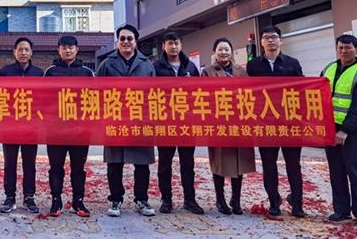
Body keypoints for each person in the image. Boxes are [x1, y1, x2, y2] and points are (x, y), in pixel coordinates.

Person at [246, 25, 305, 218]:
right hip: (266, 124)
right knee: (269, 165)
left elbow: (303, 89)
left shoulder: (292, 63)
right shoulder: (253, 66)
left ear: (280, 40)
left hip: (290, 124)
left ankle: (297, 203)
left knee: (293, 165)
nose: (270, 41)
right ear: (261, 42)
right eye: (266, 38)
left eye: (274, 37)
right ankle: (274, 201)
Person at [97, 24, 156, 218]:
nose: (125, 42)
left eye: (129, 38)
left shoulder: (147, 64)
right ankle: (116, 199)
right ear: (118, 41)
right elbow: (97, 92)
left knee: (142, 164)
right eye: (122, 38)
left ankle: (141, 199)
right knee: (115, 163)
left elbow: (154, 94)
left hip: (140, 120)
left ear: (135, 41)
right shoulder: (107, 64)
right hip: (115, 119)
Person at [322, 34, 357, 228]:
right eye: (340, 48)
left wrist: (344, 130)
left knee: (356, 172)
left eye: (348, 48)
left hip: (352, 132)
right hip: (330, 129)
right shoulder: (328, 69)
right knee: (336, 172)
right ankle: (341, 210)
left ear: (356, 50)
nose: (344, 51)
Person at [201, 37, 255, 215]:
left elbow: (249, 94)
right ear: (214, 52)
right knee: (219, 163)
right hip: (218, 124)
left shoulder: (241, 71)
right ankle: (220, 199)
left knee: (239, 163)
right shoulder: (207, 72)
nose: (224, 52)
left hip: (239, 124)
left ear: (231, 51)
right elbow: (204, 97)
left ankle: (236, 199)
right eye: (220, 49)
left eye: (226, 49)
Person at [153, 31, 204, 215]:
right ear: (164, 46)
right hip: (165, 123)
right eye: (170, 43)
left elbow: (199, 92)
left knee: (187, 164)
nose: (173, 47)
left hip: (186, 124)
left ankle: (190, 200)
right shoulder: (156, 67)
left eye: (176, 43)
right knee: (164, 165)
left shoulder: (190, 66)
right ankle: (166, 200)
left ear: (181, 45)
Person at [44, 35, 94, 218]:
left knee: (78, 168)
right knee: (56, 167)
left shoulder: (87, 73)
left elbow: (93, 99)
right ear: (58, 50)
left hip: (79, 130)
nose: (67, 50)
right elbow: (43, 98)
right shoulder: (50, 72)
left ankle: (78, 201)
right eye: (64, 47)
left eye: (71, 47)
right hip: (55, 129)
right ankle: (56, 200)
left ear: (77, 50)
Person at [0, 37, 43, 214]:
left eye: (26, 50)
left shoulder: (39, 73)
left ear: (31, 52)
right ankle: (9, 197)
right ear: (14, 52)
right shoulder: (5, 72)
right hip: (10, 126)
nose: (23, 53)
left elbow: (44, 100)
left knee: (29, 163)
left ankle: (29, 197)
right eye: (20, 49)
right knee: (10, 163)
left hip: (31, 127)